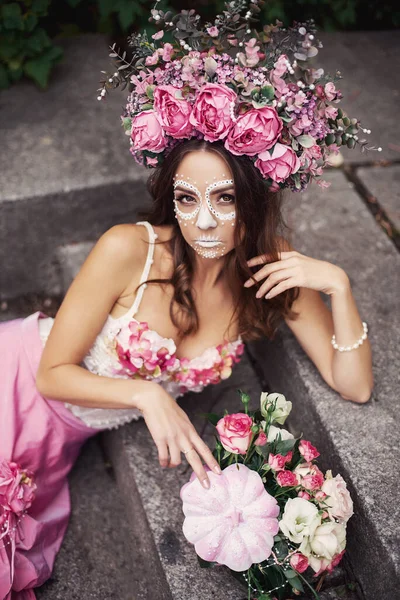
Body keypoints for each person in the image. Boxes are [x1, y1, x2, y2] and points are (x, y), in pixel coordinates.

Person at [0, 1, 375, 597]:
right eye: (186, 198)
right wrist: (148, 393)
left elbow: (353, 385)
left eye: (225, 200)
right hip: (14, 384)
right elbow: (50, 374)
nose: (203, 221)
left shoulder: (271, 269)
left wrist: (340, 286)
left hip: (61, 440)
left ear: (254, 200)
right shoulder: (130, 248)